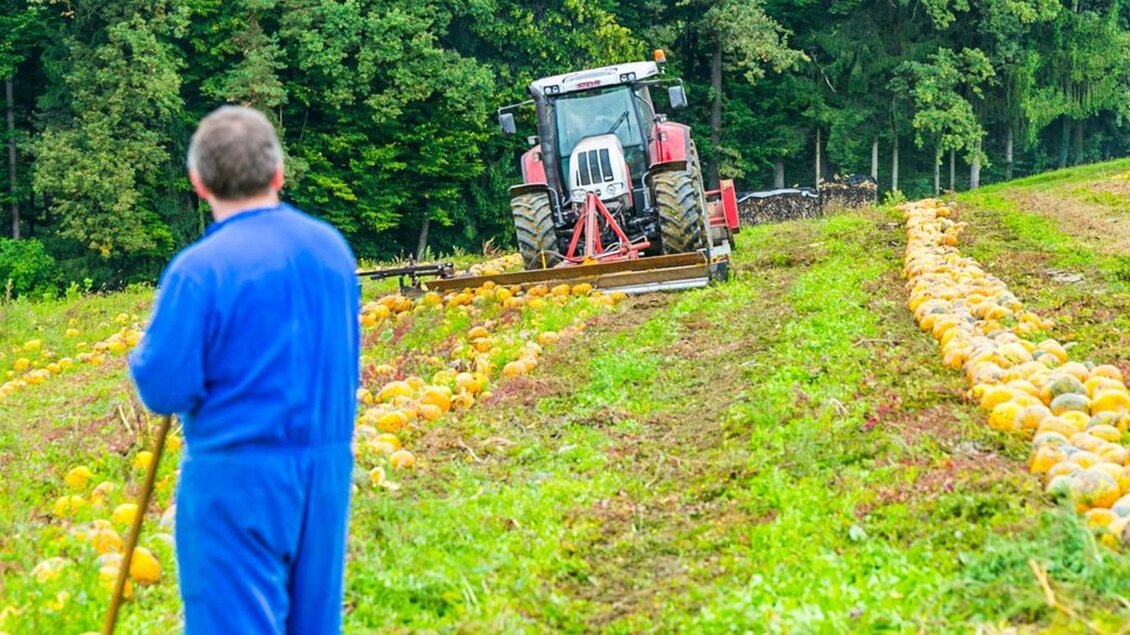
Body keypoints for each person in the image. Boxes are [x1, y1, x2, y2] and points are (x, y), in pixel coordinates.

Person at [129, 106, 360, 634]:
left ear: (199, 183)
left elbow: (164, 387)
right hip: (326, 470)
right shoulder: (331, 249)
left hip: (238, 477)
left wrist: (143, 357)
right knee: (313, 622)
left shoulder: (200, 269)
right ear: (278, 173)